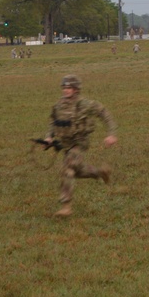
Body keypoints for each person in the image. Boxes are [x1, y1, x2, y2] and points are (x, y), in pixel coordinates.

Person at [42, 74, 117, 217]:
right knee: (74, 171)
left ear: (76, 89)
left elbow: (104, 113)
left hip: (79, 143)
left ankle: (66, 207)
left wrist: (111, 134)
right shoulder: (58, 106)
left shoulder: (85, 104)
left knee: (67, 170)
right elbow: (53, 121)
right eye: (64, 87)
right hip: (65, 144)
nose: (65, 90)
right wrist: (49, 137)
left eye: (69, 88)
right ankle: (99, 173)